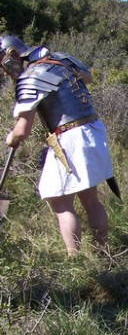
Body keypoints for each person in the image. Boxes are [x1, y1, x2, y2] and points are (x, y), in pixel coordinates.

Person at [1, 35, 117, 256]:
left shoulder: (31, 76)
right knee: (90, 199)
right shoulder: (62, 60)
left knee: (60, 201)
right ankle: (104, 253)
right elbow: (87, 77)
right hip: (92, 130)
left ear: (12, 56)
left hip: (70, 138)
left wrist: (11, 138)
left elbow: (22, 130)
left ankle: (76, 260)